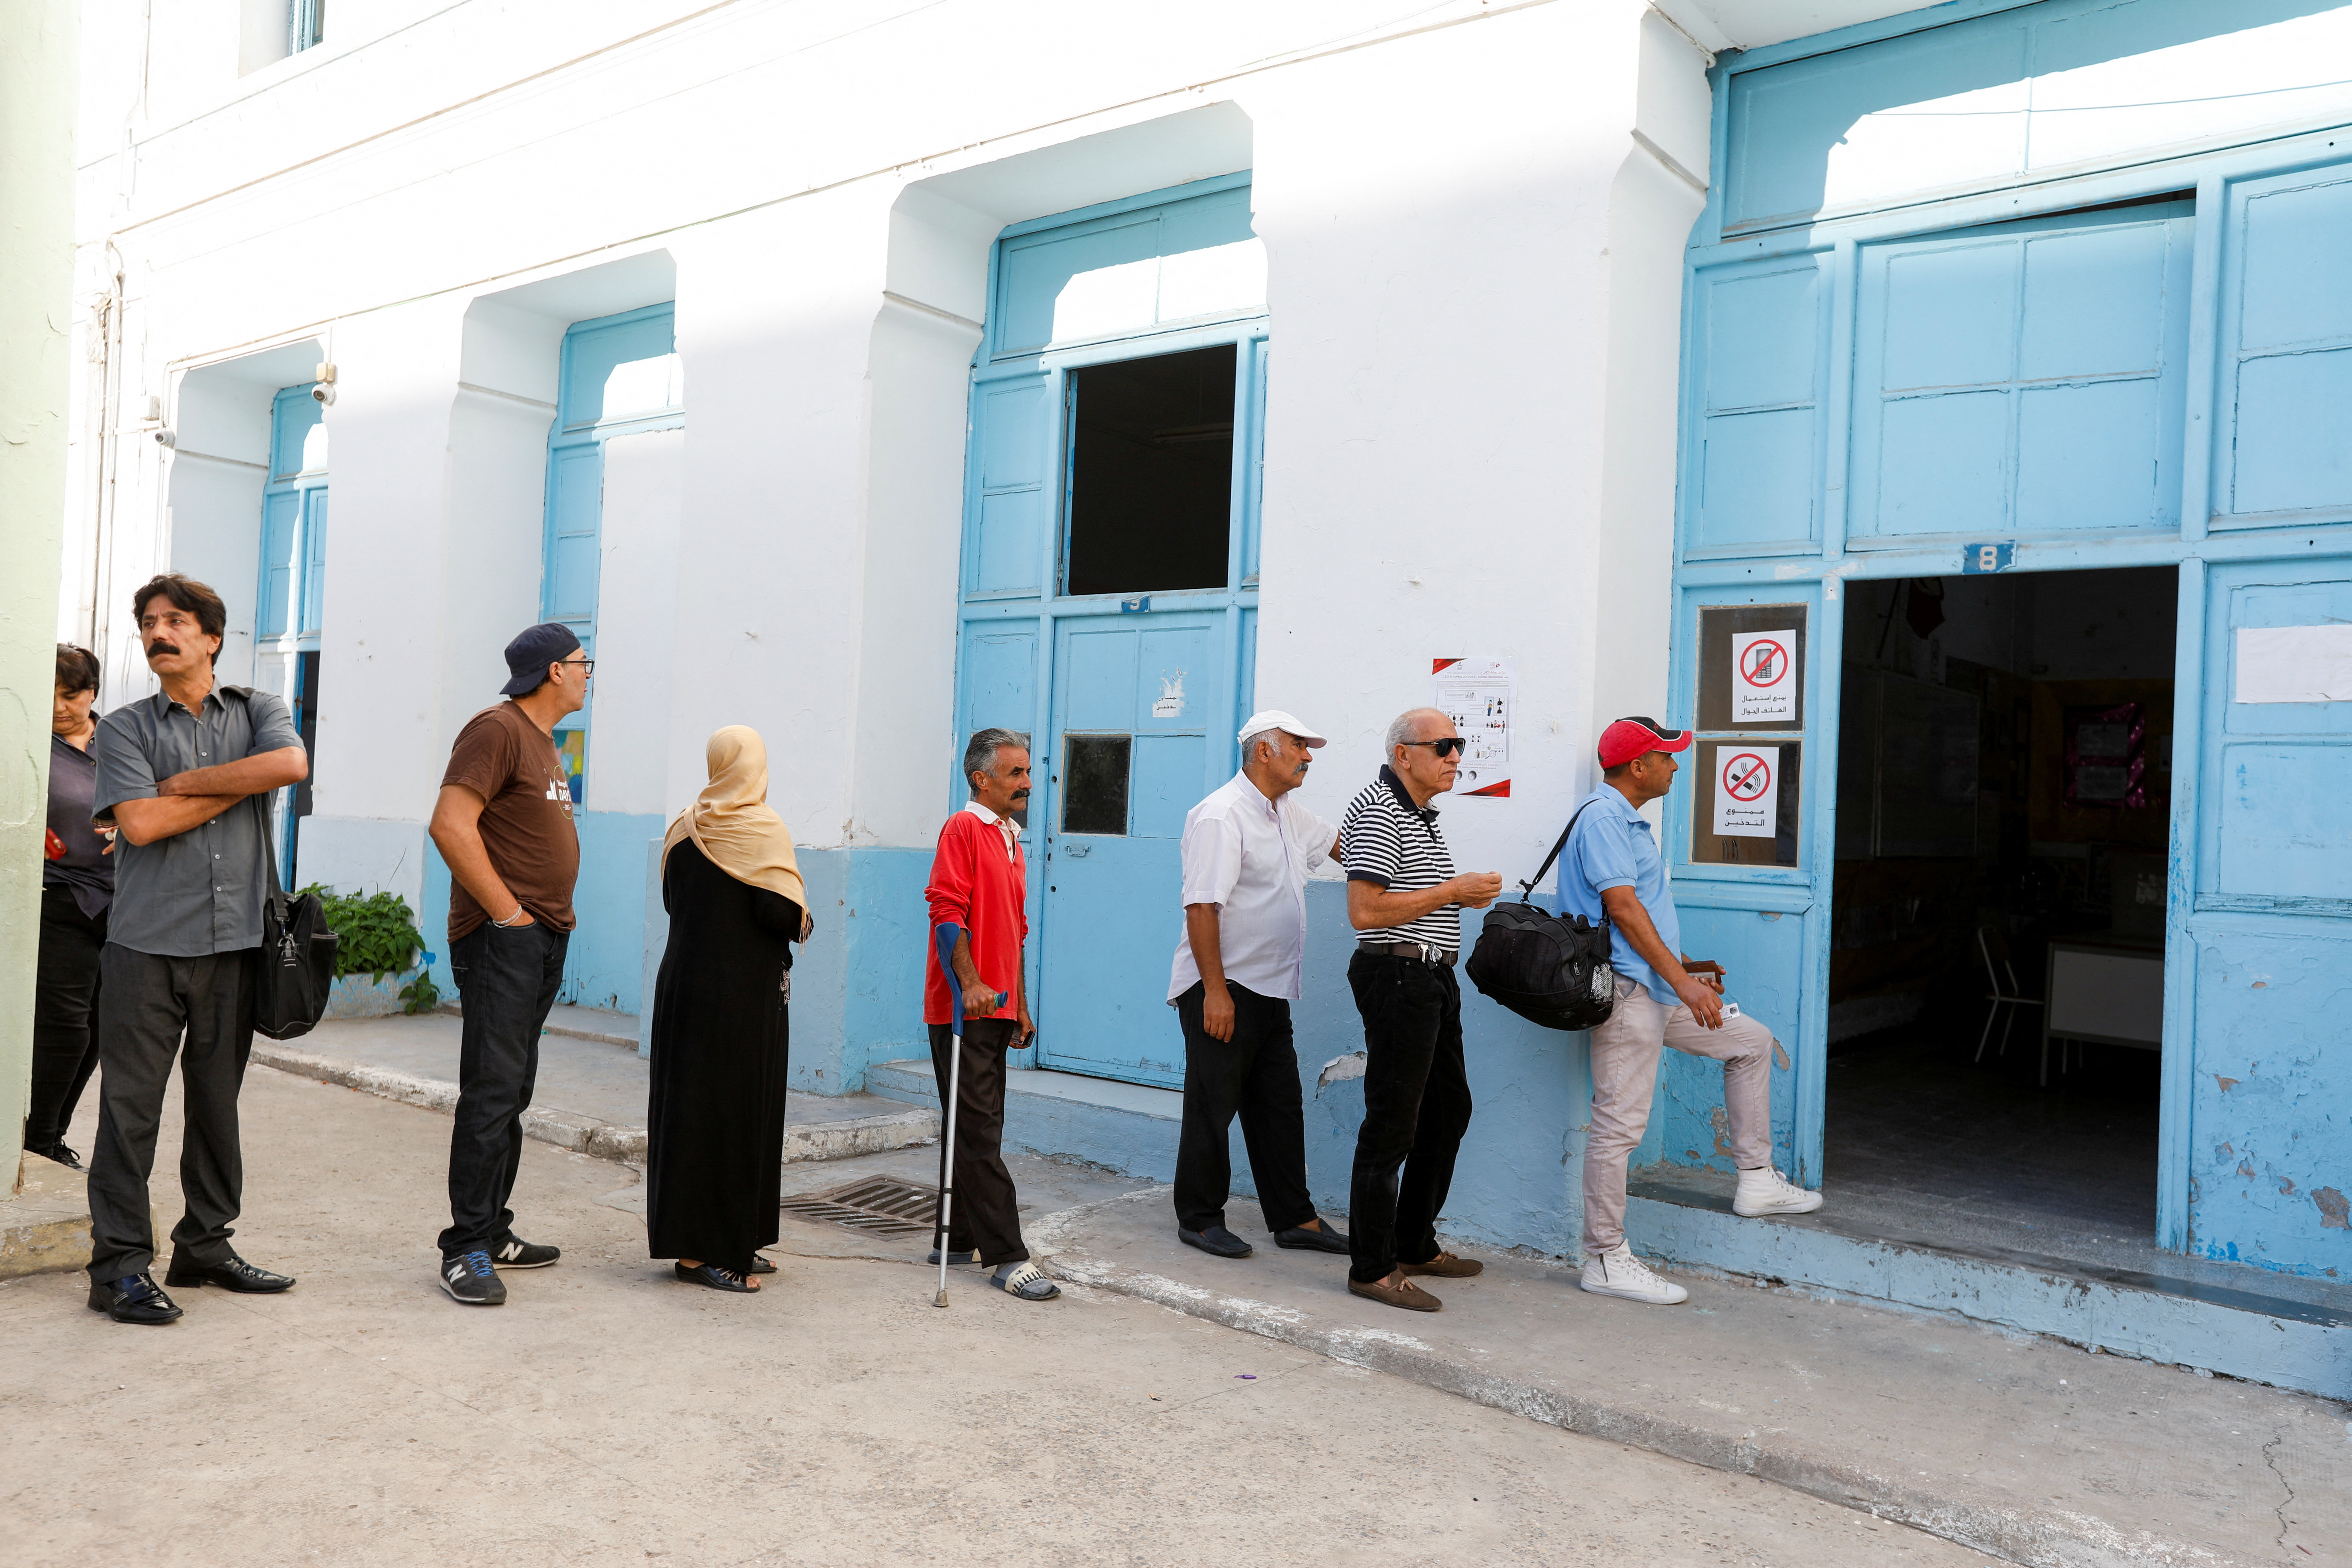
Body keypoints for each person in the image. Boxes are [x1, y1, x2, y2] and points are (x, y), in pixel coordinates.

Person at [84, 575, 310, 1325]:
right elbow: (140, 825)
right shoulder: (122, 727)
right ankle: (117, 1266)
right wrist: (232, 787)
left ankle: (205, 1245)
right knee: (130, 1111)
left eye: (176, 620)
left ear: (212, 637)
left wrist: (184, 784)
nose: (160, 632)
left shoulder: (261, 710)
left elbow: (288, 766)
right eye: (149, 622)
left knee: (218, 1106)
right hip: (145, 948)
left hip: (235, 945)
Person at [1562, 716, 1823, 1308]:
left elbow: (1640, 911)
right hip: (1631, 994)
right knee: (1619, 1127)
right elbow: (1623, 909)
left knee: (1750, 1040)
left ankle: (1756, 1180)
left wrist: (1686, 963)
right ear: (1638, 766)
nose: (1676, 766)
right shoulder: (1604, 816)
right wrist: (1684, 981)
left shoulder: (1627, 819)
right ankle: (1604, 1256)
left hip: (1659, 985)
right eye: (1668, 757)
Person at [424, 623, 590, 1306]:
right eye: (584, 663)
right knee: (492, 1090)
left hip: (541, 936)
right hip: (505, 940)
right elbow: (450, 823)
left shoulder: (544, 742)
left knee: (513, 1089)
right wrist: (508, 914)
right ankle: (464, 1247)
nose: (588, 674)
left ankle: (493, 1229)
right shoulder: (496, 729)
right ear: (554, 671)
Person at [1167, 710, 1350, 1261]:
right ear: (1264, 751)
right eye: (1298, 745)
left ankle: (1295, 1218)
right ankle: (1199, 1219)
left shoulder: (1286, 813)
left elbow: (1344, 845)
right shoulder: (1222, 816)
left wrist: (1404, 862)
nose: (1308, 756)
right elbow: (1202, 907)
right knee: (1212, 1104)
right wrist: (1215, 992)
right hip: (1223, 986)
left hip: (1270, 988)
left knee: (1278, 1105)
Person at [1337, 708, 1504, 1312]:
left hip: (1429, 975)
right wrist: (1453, 892)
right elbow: (1365, 911)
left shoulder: (1417, 811)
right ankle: (1372, 1266)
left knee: (1446, 1109)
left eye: (1459, 745)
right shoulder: (1382, 809)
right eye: (1444, 746)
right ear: (1404, 753)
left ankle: (1413, 1241)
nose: (1457, 755)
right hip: (1399, 975)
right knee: (1392, 1124)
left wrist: (1451, 896)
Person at [645, 726, 814, 1293]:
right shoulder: (762, 829)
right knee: (737, 1115)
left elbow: (673, 901)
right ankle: (717, 1251)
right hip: (742, 997)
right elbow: (778, 913)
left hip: (684, 990)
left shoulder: (684, 827)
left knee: (690, 1115)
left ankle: (706, 1241)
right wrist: (803, 917)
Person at [923, 727, 1057, 1303]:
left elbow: (1015, 933)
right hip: (964, 1007)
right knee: (979, 1129)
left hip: (999, 1007)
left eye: (1028, 772)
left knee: (976, 1122)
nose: (1028, 782)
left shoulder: (1011, 839)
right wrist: (971, 981)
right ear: (983, 778)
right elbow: (946, 909)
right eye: (1016, 773)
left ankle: (956, 1237)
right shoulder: (964, 828)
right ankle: (1007, 1255)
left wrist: (1019, 1000)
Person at [29, 645, 113, 1168]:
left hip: (121, 904)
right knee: (65, 1024)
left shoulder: (121, 742)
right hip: (58, 898)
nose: (61, 706)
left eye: (72, 693)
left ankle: (53, 1135)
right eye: (51, 694)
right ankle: (37, 1138)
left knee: (101, 1028)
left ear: (93, 693)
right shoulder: (29, 746)